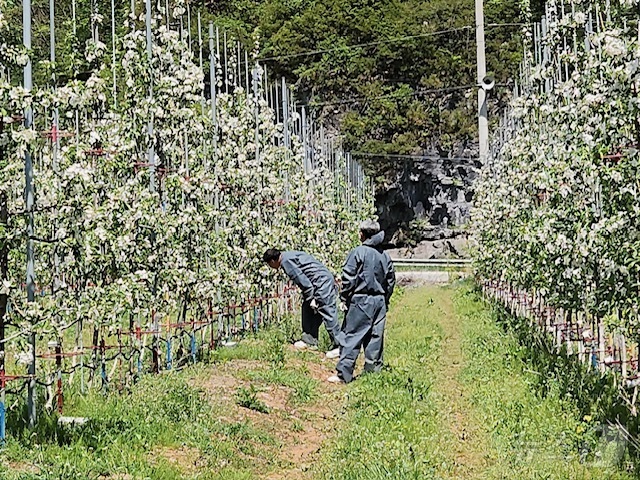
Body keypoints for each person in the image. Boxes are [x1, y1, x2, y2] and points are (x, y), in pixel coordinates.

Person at [328, 220, 396, 384]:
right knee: (375, 337)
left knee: (352, 336)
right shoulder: (384, 255)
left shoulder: (358, 252)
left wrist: (344, 297)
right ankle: (373, 374)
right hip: (379, 300)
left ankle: (344, 374)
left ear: (364, 234)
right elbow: (391, 280)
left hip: (361, 299)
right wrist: (384, 299)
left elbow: (349, 277)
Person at [263, 248, 342, 358]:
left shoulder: (286, 262)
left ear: (272, 261)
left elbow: (304, 283)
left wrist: (312, 298)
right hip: (321, 280)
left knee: (327, 311)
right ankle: (309, 340)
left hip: (321, 283)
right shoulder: (289, 255)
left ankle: (340, 346)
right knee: (308, 309)